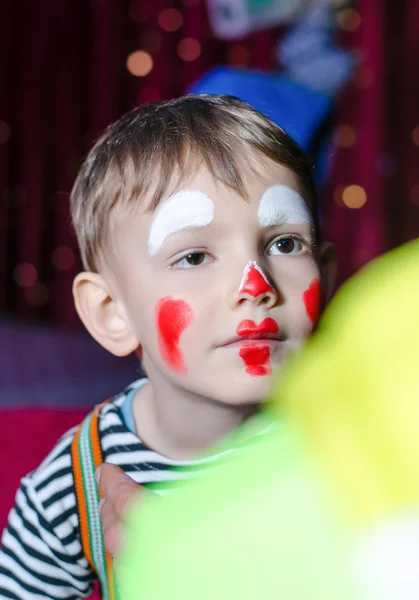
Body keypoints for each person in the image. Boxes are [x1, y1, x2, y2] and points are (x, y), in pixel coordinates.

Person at [0, 94, 335, 598]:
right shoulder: (74, 485)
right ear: (114, 313)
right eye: (195, 255)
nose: (254, 283)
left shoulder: (352, 440)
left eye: (284, 243)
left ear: (325, 278)